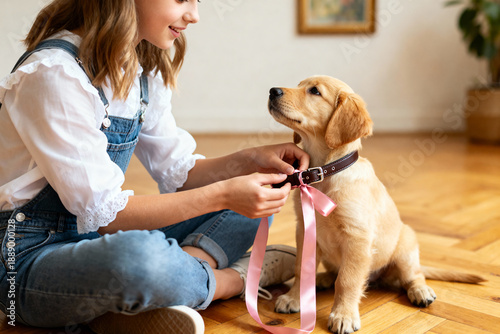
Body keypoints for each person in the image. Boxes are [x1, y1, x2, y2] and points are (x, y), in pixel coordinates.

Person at [0, 0, 309, 333]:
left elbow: (179, 171)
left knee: (266, 189)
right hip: (29, 261)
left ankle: (156, 289)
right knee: (140, 260)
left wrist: (249, 161)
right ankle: (231, 280)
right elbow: (108, 216)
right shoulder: (54, 74)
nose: (194, 16)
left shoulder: (139, 70)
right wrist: (223, 195)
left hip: (97, 242)